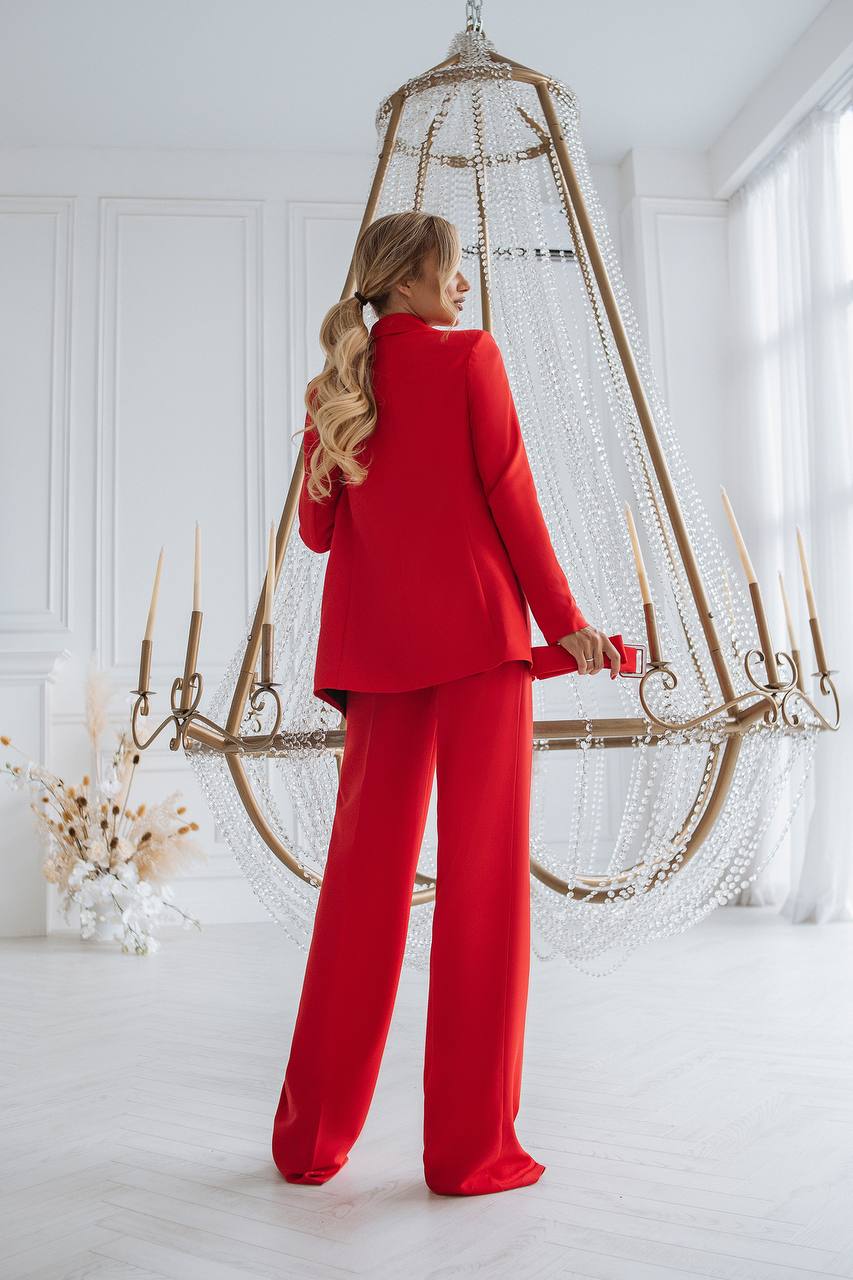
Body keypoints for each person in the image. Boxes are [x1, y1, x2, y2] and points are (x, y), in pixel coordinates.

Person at [272, 210, 620, 1197]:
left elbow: (316, 533)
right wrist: (566, 619)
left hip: (380, 665)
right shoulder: (470, 359)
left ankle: (308, 1143)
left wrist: (324, 430)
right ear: (410, 277)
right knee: (482, 894)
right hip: (476, 653)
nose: (464, 286)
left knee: (358, 898)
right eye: (454, 268)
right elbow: (513, 493)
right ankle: (469, 1153)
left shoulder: (339, 390)